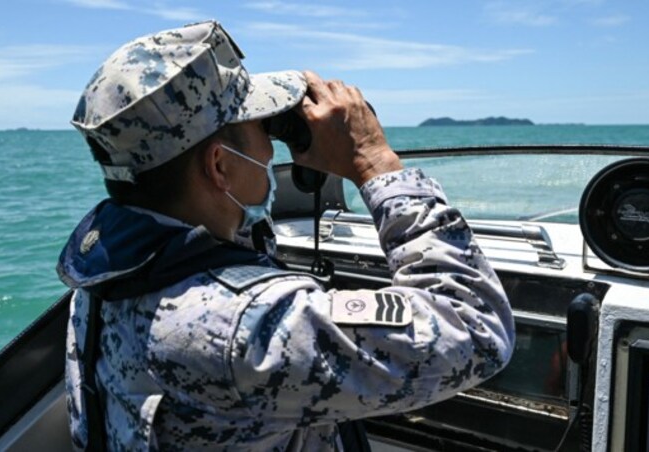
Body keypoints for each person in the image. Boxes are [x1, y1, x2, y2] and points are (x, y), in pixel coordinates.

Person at [58, 20, 515, 451]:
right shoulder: (244, 328)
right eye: (261, 127)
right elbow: (476, 327)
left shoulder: (109, 275)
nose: (271, 143)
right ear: (219, 167)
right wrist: (373, 160)